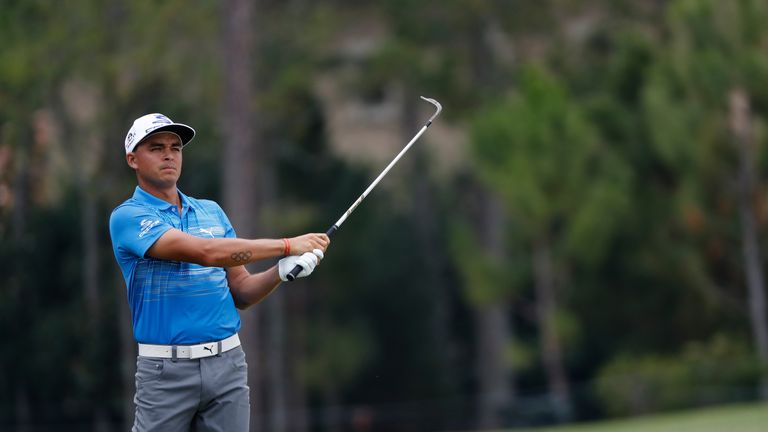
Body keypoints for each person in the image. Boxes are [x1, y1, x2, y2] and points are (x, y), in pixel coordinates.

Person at [109, 113, 329, 431]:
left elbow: (241, 290)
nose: (169, 154)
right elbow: (205, 252)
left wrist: (279, 273)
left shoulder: (211, 211)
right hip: (165, 372)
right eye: (156, 148)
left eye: (175, 147)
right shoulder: (128, 217)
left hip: (227, 365)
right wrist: (285, 246)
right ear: (133, 159)